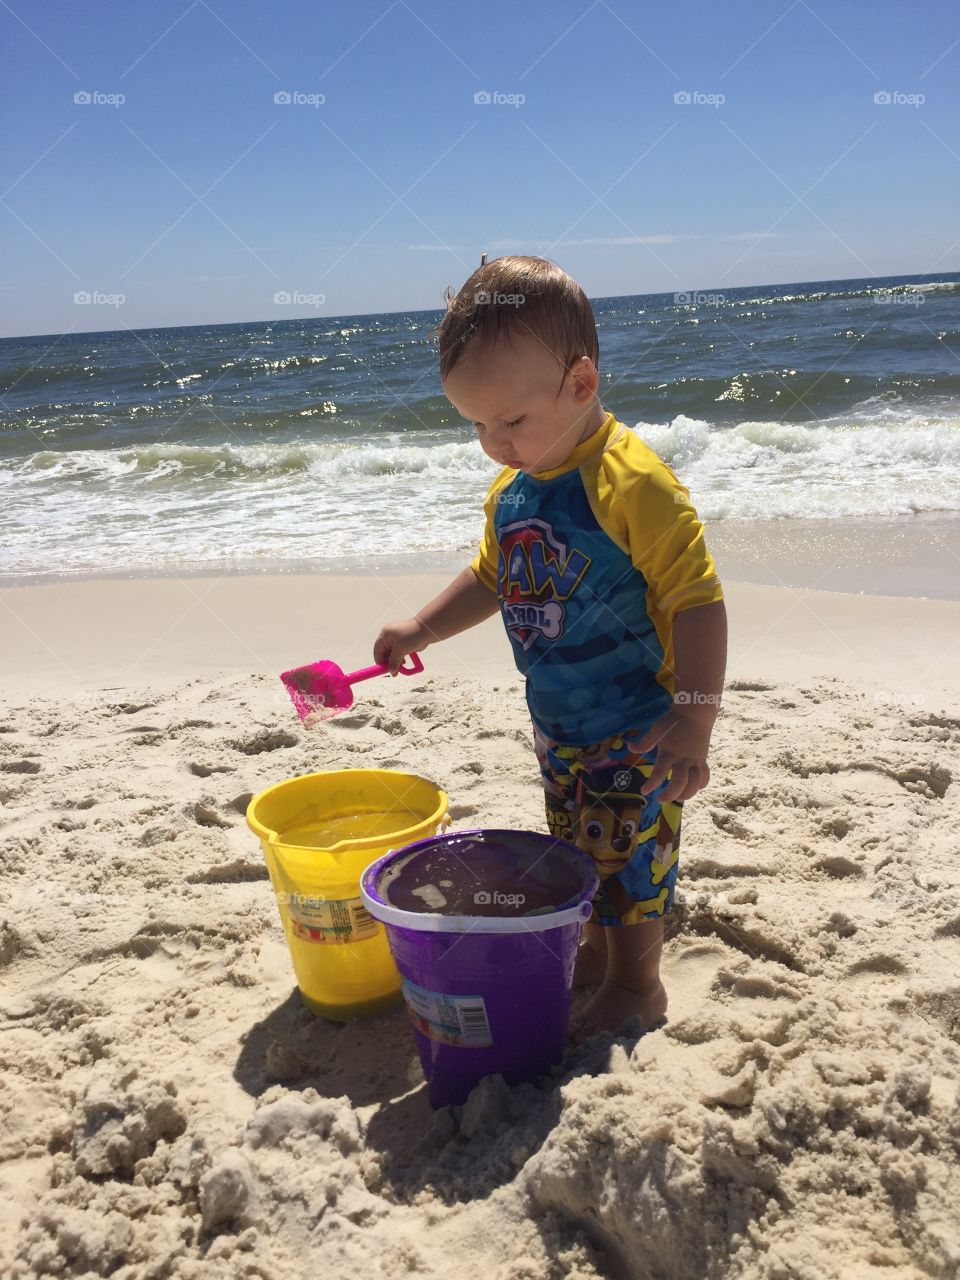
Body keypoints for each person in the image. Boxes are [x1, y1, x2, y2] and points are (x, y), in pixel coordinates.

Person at [373, 256, 727, 1044]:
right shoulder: (515, 489)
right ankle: (599, 960)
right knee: (579, 853)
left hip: (639, 724)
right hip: (559, 722)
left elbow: (697, 601)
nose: (493, 444)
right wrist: (421, 628)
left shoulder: (630, 481)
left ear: (579, 383)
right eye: (476, 425)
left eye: (510, 421)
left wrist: (694, 721)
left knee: (633, 867)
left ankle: (639, 984)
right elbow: (493, 576)